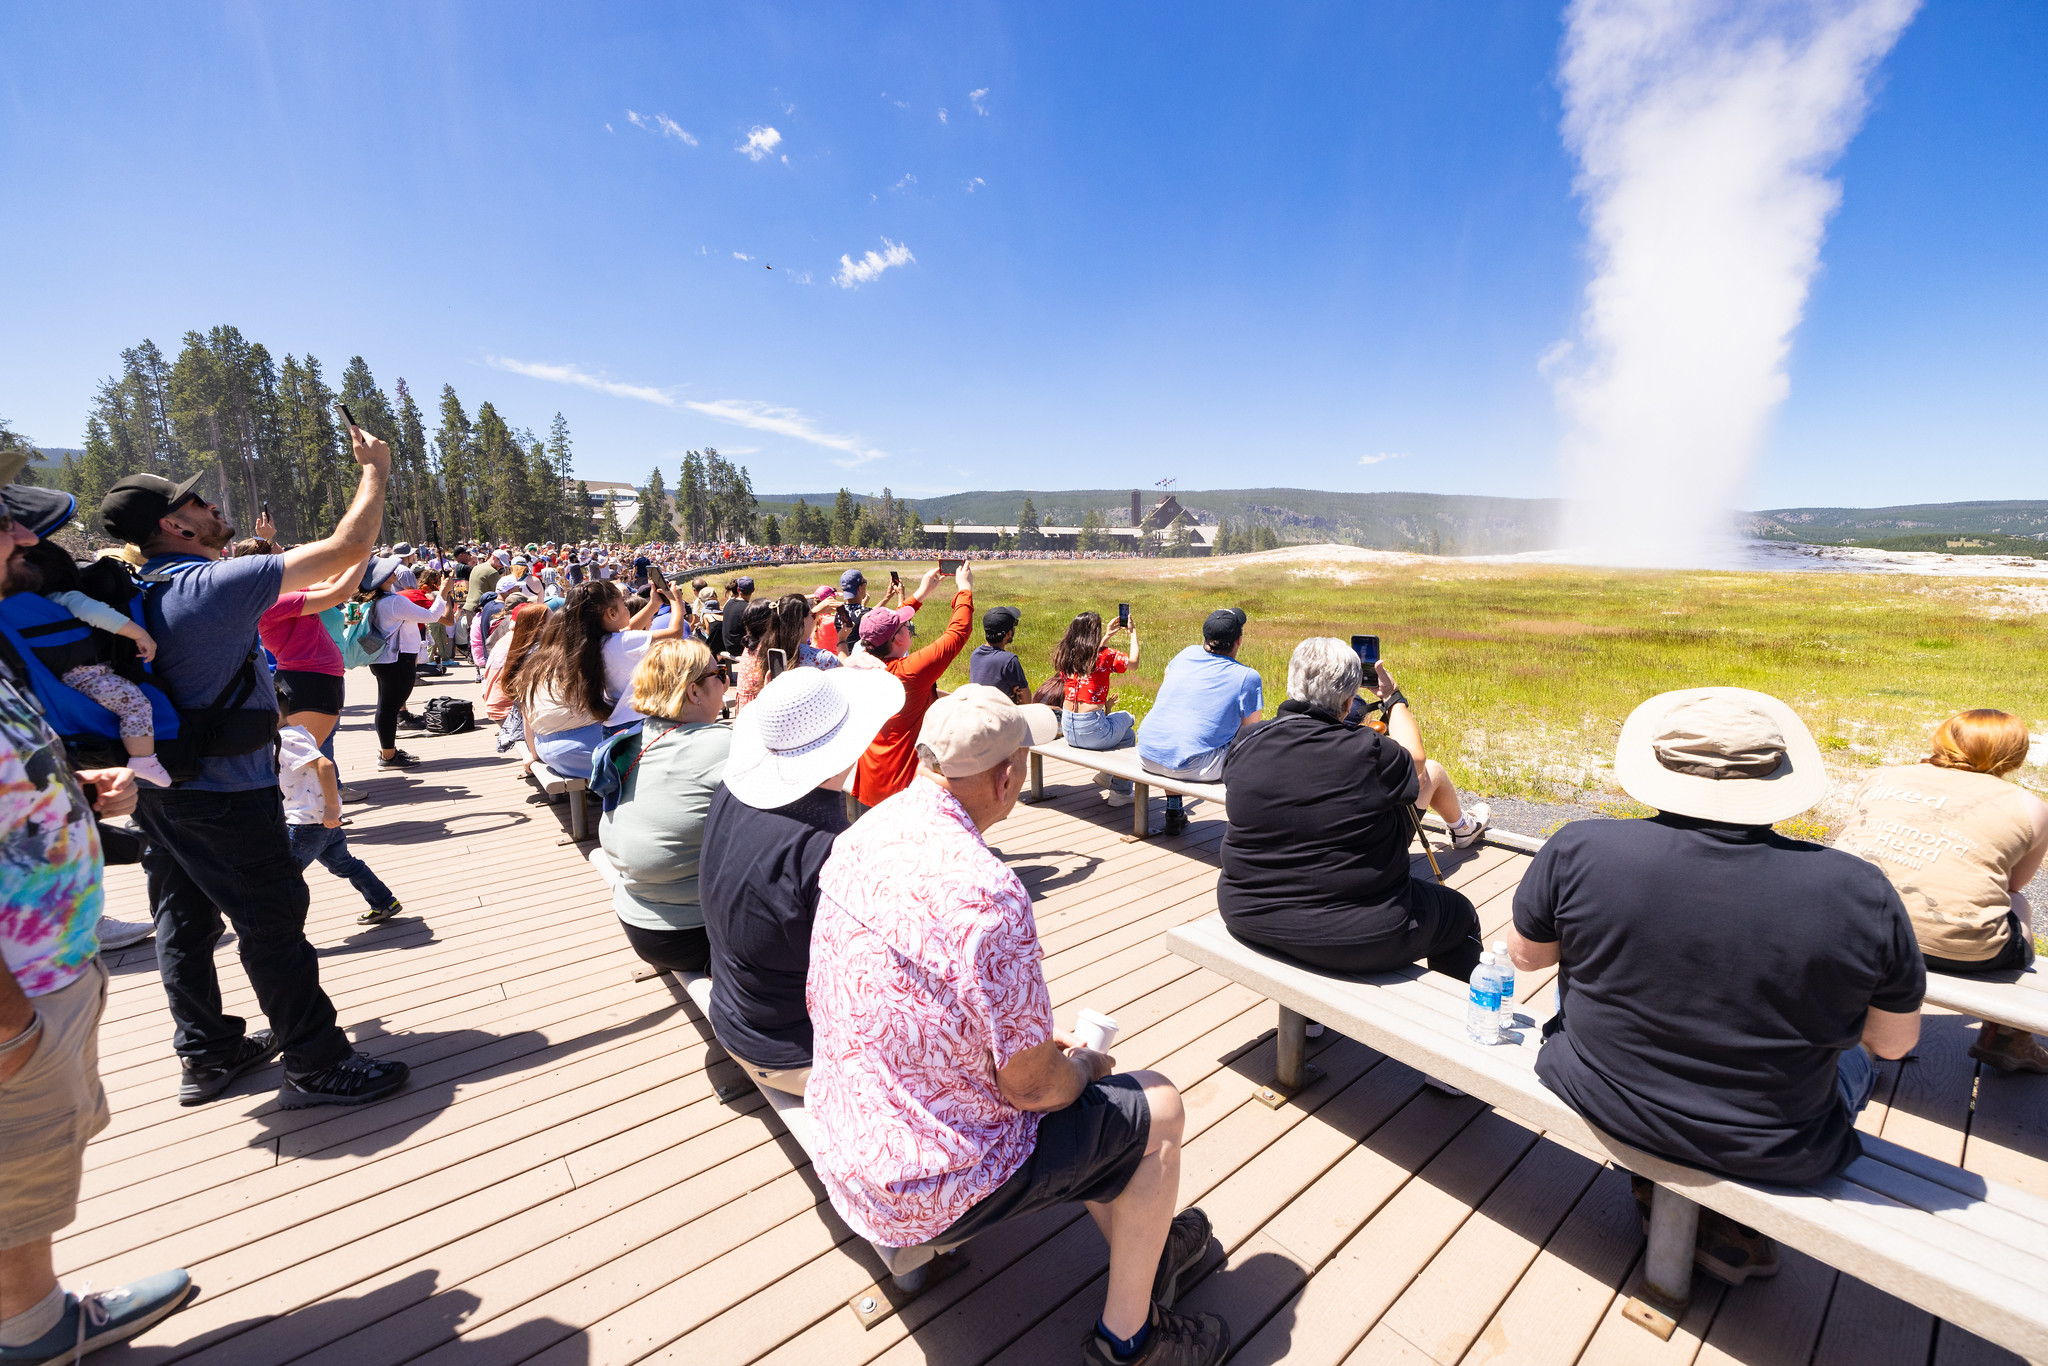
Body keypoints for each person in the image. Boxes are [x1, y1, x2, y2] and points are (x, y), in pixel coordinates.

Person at [808, 686, 1227, 1365]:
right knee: (1160, 1110)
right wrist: (1085, 1066)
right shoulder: (987, 893)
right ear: (1007, 778)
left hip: (847, 1132)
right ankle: (1132, 1340)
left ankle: (1148, 1244)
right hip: (924, 1182)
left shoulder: (864, 834)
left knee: (1104, 1123)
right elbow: (1035, 1092)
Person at [1506, 687, 1924, 1283]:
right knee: (1857, 1060)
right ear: (1777, 775)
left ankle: (1661, 1190)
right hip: (1775, 1139)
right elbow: (1894, 1043)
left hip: (1601, 1087)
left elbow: (1527, 959)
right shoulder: (1858, 889)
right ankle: (1721, 1222)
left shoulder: (1581, 845)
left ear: (1660, 766)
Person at [98, 426, 410, 1110]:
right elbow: (347, 551)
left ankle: (207, 1052)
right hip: (228, 794)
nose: (215, 510)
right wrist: (376, 471)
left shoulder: (132, 590)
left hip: (161, 786)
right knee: (273, 921)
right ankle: (317, 1060)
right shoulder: (212, 585)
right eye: (201, 503)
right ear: (174, 523)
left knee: (184, 919)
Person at [0, 485, 197, 1364]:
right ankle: (35, 1331)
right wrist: (9, 1031)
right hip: (18, 999)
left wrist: (73, 791)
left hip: (44, 973)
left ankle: (29, 1314)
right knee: (19, 1175)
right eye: (0, 521)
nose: (18, 535)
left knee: (34, 1172)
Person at [1218, 638, 1485, 980]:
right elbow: (1417, 759)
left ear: (1292, 683)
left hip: (1245, 912)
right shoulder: (1370, 751)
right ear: (1348, 701)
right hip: (1357, 935)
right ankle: (1454, 1025)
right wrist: (1393, 700)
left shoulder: (1248, 741)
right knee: (1458, 914)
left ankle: (1309, 1017)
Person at [698, 664, 904, 1093]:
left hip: (733, 1010)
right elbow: (872, 987)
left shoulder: (733, 792)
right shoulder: (832, 848)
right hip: (787, 1050)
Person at [1833, 709, 2048, 1074]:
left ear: (1942, 738)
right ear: (2015, 755)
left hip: (1849, 927)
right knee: (2018, 903)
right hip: (1960, 949)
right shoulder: (2031, 808)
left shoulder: (1883, 775)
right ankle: (2009, 1037)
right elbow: (2013, 885)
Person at [596, 640, 731, 975]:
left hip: (637, 919)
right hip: (695, 934)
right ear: (694, 693)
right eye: (720, 673)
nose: (727, 682)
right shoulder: (719, 743)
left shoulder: (631, 738)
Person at [4, 539, 172, 787]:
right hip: (88, 676)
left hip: (55, 683)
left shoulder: (20, 607)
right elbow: (98, 614)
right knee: (135, 704)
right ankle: (143, 759)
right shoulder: (64, 597)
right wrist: (140, 635)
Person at [851, 563, 974, 811]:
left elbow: (882, 628)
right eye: (906, 626)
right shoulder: (908, 672)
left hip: (870, 779)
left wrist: (921, 593)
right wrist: (964, 589)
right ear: (897, 639)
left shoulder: (861, 662)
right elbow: (958, 631)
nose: (909, 625)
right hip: (901, 789)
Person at [1135, 609, 1263, 836]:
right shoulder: (1247, 676)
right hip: (1195, 766)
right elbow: (1250, 732)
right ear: (1239, 641)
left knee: (1180, 730)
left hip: (1148, 753)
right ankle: (1250, 827)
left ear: (1204, 637)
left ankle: (1174, 810)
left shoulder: (1184, 655)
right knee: (1255, 748)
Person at [278, 716, 402, 924]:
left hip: (306, 822)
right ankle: (384, 902)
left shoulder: (286, 739)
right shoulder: (297, 731)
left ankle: (277, 934)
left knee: (281, 877)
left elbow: (324, 765)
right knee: (344, 864)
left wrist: (333, 808)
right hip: (320, 818)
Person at [354, 557, 456, 770]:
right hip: (398, 660)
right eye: (389, 570)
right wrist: (444, 592)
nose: (395, 571)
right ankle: (388, 757)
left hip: (384, 659)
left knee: (386, 706)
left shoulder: (379, 599)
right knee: (389, 708)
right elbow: (430, 616)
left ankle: (388, 751)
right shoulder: (394, 601)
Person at [258, 554, 362, 752]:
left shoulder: (285, 592)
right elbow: (340, 593)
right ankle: (327, 784)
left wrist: (354, 556)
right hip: (307, 681)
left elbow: (331, 583)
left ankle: (330, 784)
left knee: (315, 754)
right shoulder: (275, 601)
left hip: (318, 679)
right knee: (306, 757)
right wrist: (362, 555)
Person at [1052, 610, 1142, 806]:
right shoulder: (1105, 655)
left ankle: (1107, 775)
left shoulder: (1066, 655)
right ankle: (1120, 791)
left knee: (1118, 728)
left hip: (1068, 729)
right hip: (1093, 732)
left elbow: (1089, 659)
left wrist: (1108, 635)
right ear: (1095, 634)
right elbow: (1133, 664)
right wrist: (1133, 633)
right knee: (1127, 723)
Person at [970, 605, 1031, 703]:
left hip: (979, 710)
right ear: (1009, 633)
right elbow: (1027, 701)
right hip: (999, 715)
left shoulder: (975, 654)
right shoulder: (1009, 660)